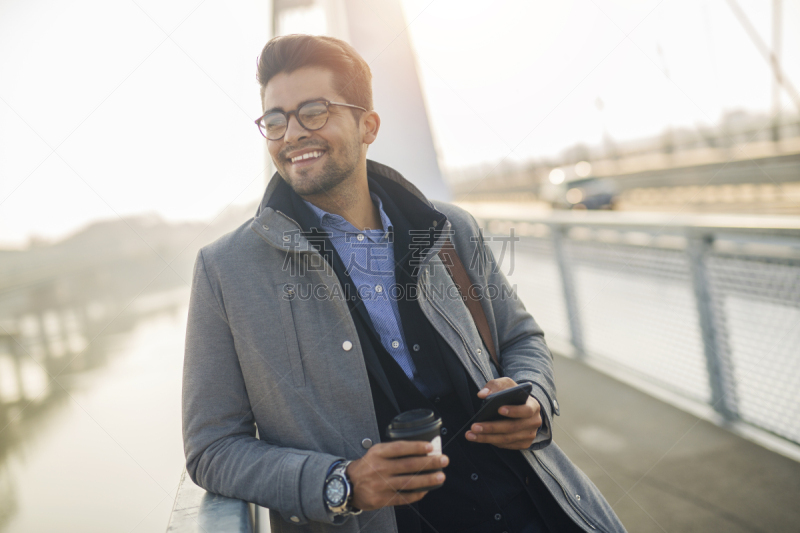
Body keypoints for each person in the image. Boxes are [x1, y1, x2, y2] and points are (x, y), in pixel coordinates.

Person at [182, 34, 627, 533]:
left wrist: (535, 401)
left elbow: (521, 339)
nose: (291, 135)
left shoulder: (450, 229)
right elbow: (212, 449)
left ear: (367, 125)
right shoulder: (224, 271)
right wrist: (340, 483)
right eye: (276, 120)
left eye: (314, 111)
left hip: (537, 512)